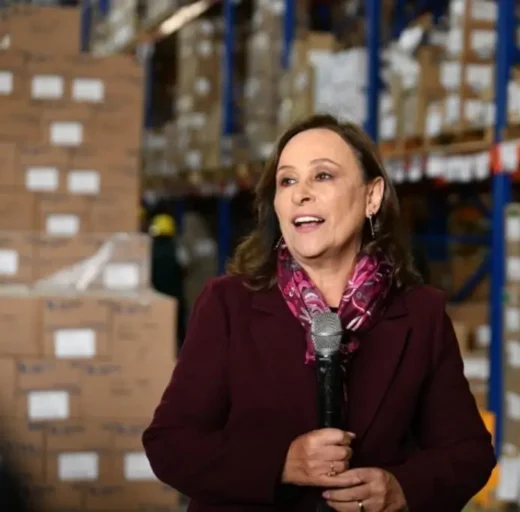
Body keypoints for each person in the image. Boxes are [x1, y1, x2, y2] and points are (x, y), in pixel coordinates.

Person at [142, 114, 496, 511]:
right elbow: (170, 443)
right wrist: (281, 464)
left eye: (323, 176)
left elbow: (468, 453)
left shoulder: (420, 313)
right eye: (287, 181)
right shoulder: (228, 304)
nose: (301, 194)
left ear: (372, 196)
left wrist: (401, 489)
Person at [149, 213, 189, 352]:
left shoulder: (149, 249)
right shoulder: (177, 247)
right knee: (178, 327)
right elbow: (185, 267)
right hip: (175, 295)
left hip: (155, 295)